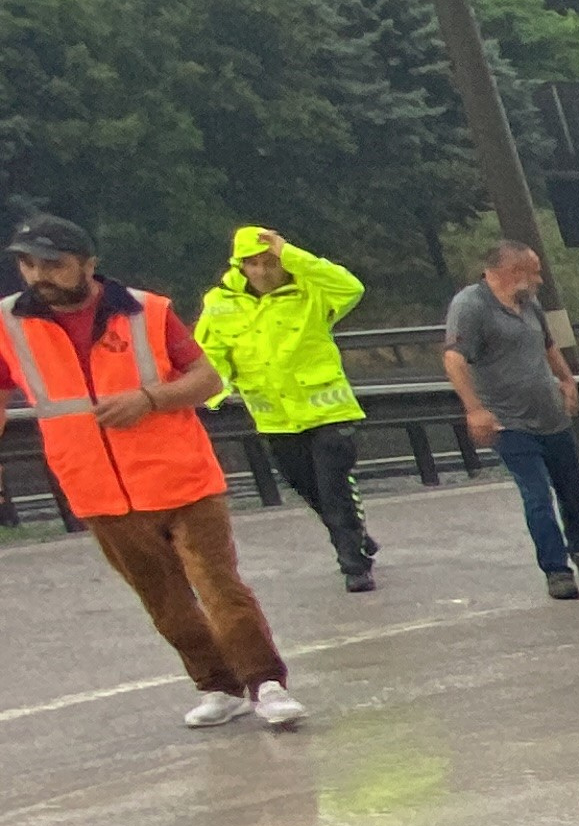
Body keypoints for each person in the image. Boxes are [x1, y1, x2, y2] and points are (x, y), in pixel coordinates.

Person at [0, 215, 304, 729]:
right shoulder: (9, 324)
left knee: (218, 586)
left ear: (88, 266)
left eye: (54, 264)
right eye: (28, 264)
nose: (38, 275)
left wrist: (150, 399)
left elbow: (207, 378)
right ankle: (218, 686)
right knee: (163, 602)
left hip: (181, 479)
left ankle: (264, 683)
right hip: (97, 489)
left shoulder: (146, 312)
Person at [195, 225, 380, 591]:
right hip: (274, 417)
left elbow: (351, 288)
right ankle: (357, 537)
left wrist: (291, 253)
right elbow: (208, 353)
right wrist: (208, 397)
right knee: (305, 486)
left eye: (270, 263)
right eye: (253, 264)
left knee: (334, 487)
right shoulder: (220, 303)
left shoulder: (311, 290)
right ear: (240, 266)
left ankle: (353, 563)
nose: (262, 272)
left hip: (327, 411)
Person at [442, 242, 579, 600]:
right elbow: (454, 359)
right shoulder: (472, 305)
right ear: (511, 270)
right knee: (537, 494)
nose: (540, 280)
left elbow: (547, 345)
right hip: (509, 420)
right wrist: (474, 409)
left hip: (550, 413)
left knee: (573, 487)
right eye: (534, 271)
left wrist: (566, 379)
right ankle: (556, 569)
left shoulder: (529, 303)